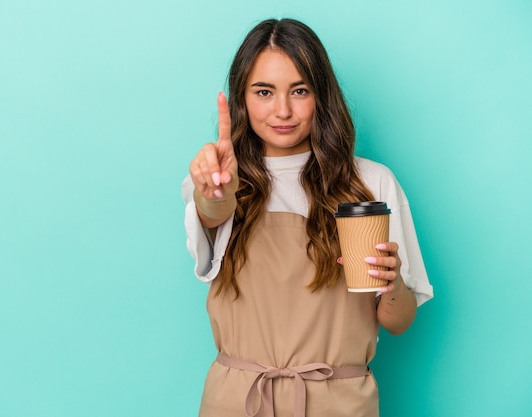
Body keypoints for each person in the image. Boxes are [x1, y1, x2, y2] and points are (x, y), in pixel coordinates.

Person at [182, 18, 433, 417]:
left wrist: (392, 282)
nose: (283, 110)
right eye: (264, 92)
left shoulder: (370, 183)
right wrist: (214, 191)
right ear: (242, 98)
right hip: (239, 402)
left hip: (340, 404)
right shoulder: (221, 181)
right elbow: (213, 210)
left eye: (299, 90)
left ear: (321, 95)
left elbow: (399, 322)